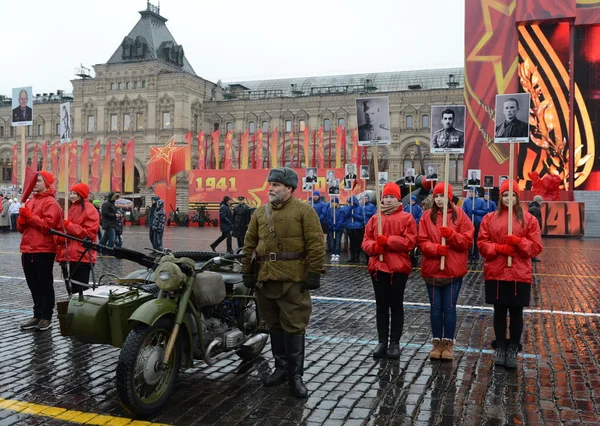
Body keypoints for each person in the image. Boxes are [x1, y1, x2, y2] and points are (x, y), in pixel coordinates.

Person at [241, 167, 325, 398]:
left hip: (293, 279)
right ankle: (280, 368)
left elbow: (316, 244)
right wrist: (247, 271)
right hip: (265, 278)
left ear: (289, 188)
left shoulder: (304, 211)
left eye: (276, 185)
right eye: (271, 184)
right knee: (274, 325)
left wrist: (314, 273)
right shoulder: (260, 213)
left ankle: (295, 376)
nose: (271, 188)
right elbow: (249, 244)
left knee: (294, 326)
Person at [477, 180, 542, 369]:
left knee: (516, 313)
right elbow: (482, 243)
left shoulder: (529, 219)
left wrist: (519, 242)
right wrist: (499, 247)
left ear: (517, 197)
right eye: (505, 195)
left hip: (518, 274)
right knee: (499, 311)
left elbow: (536, 246)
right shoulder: (489, 218)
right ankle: (501, 346)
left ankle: (513, 347)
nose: (508, 198)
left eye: (512, 195)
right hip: (496, 272)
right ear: (501, 197)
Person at [417, 183, 474, 360]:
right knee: (435, 308)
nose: (439, 199)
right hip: (433, 270)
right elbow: (421, 241)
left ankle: (448, 343)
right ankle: (437, 343)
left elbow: (467, 241)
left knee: (449, 308)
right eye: (437, 196)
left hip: (452, 270)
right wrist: (435, 249)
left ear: (449, 197)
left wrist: (451, 235)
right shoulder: (426, 216)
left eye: (443, 196)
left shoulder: (461, 215)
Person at [362, 183, 417, 358]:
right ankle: (382, 341)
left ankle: (394, 343)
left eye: (391, 197)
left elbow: (409, 242)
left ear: (398, 198)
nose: (387, 199)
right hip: (378, 268)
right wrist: (373, 247)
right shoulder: (374, 218)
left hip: (397, 268)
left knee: (396, 305)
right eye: (385, 196)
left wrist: (387, 241)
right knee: (381, 306)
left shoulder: (407, 218)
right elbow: (366, 240)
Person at [17, 171, 62, 331]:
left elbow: (48, 226)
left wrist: (29, 217)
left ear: (47, 183)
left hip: (43, 249)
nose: (34, 183)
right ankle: (37, 315)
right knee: (33, 284)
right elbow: (21, 229)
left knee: (44, 284)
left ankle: (46, 316)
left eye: (39, 181)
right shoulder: (30, 201)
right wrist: (21, 220)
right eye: (34, 181)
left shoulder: (51, 203)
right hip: (28, 248)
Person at [55, 183, 100, 296]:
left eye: (75, 193)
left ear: (82, 194)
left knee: (80, 288)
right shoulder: (69, 209)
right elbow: (61, 228)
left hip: (83, 254)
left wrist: (68, 226)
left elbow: (88, 233)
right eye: (71, 193)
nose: (72, 196)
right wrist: (60, 237)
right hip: (69, 254)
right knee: (70, 287)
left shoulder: (90, 210)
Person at [462, 187, 487, 262]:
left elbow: (484, 210)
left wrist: (475, 212)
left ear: (475, 192)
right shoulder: (466, 201)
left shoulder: (480, 201)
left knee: (476, 240)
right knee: (469, 240)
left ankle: (476, 256)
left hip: (477, 223)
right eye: (470, 191)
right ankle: (469, 256)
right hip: (469, 223)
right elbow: (463, 212)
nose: (471, 193)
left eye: (472, 191)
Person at [325, 196, 347, 263]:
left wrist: (337, 225)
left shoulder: (341, 210)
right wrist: (332, 224)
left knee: (337, 242)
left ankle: (337, 254)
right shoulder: (329, 210)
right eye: (332, 202)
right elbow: (327, 218)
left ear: (337, 203)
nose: (333, 204)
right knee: (332, 242)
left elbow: (342, 219)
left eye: (334, 202)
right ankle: (333, 254)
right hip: (332, 229)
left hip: (339, 229)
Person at [345, 195, 365, 263]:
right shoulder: (349, 208)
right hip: (350, 227)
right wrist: (350, 209)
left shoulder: (360, 208)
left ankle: (357, 257)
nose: (351, 204)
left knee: (357, 243)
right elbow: (346, 216)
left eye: (352, 202)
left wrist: (355, 215)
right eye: (350, 202)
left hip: (358, 228)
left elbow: (362, 218)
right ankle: (352, 257)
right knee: (352, 243)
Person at [528, 195, 543, 262]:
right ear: (538, 201)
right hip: (534, 228)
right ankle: (533, 256)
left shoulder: (532, 207)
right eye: (541, 201)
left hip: (531, 228)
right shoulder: (535, 208)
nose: (541, 203)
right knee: (534, 242)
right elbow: (536, 219)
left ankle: (533, 256)